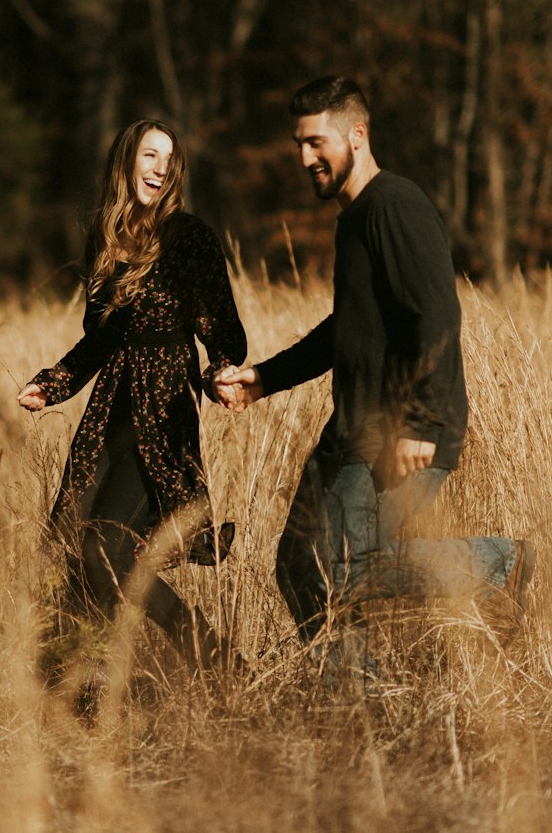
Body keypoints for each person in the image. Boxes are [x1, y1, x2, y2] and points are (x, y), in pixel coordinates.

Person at [214, 76, 530, 643]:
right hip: (353, 431)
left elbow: (434, 316)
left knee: (336, 568)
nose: (306, 157)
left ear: (356, 136)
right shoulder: (355, 219)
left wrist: (418, 423)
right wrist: (264, 379)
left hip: (399, 433)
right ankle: (350, 706)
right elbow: (348, 331)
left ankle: (507, 564)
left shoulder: (395, 206)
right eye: (299, 145)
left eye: (317, 143)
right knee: (297, 566)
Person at [18, 119, 247, 669]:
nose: (160, 167)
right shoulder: (106, 241)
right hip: (108, 415)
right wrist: (51, 384)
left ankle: (217, 659)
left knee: (109, 552)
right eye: (149, 154)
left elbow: (226, 329)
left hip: (162, 412)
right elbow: (98, 342)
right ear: (127, 162)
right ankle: (80, 690)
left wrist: (221, 368)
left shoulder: (189, 238)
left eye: (168, 158)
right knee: (73, 554)